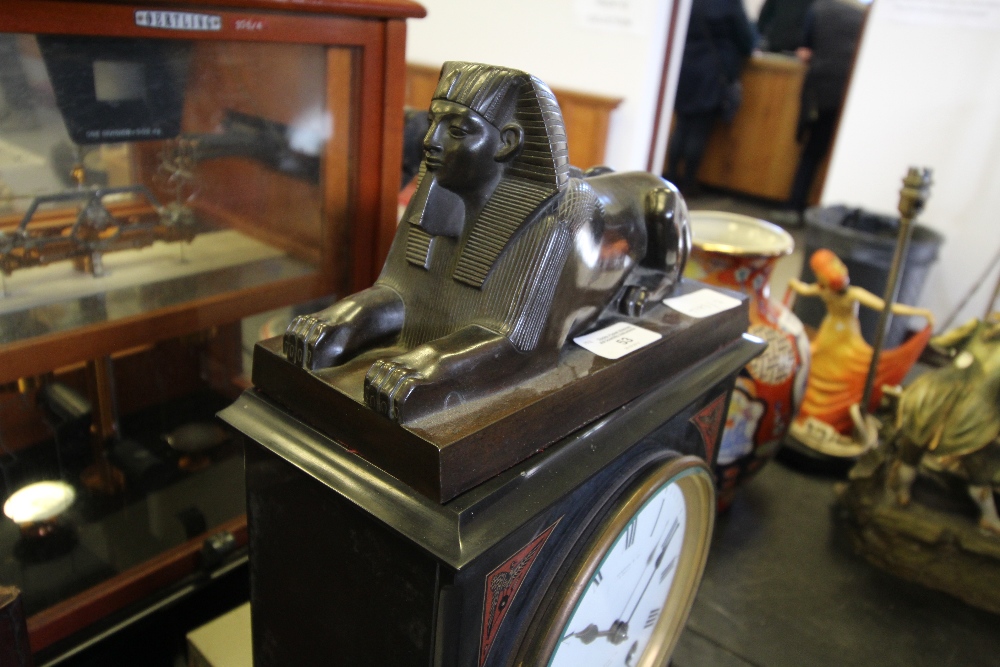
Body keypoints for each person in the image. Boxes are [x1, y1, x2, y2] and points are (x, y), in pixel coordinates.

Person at [284, 62, 689, 423]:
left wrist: (434, 363)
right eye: (434, 123)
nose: (431, 140)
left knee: (662, 201)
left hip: (641, 211)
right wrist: (346, 319)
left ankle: (663, 277)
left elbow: (521, 343)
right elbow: (403, 295)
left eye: (457, 131)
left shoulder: (559, 217)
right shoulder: (439, 191)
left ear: (508, 143)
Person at [788, 249, 933, 442]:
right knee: (816, 361)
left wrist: (919, 313)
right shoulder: (823, 289)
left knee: (841, 368)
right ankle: (807, 407)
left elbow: (886, 306)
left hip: (844, 334)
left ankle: (829, 413)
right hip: (830, 331)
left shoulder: (851, 294)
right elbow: (805, 289)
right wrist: (794, 285)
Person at [666, 0, 755, 196]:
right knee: (699, 129)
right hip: (712, 70)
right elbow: (746, 41)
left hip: (685, 65)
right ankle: (688, 183)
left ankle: (670, 179)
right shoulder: (729, 5)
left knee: (681, 125)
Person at [786, 0, 866, 216]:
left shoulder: (818, 9)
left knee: (810, 152)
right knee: (825, 152)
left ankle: (795, 206)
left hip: (819, 88)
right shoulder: (864, 15)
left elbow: (804, 50)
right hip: (847, 91)